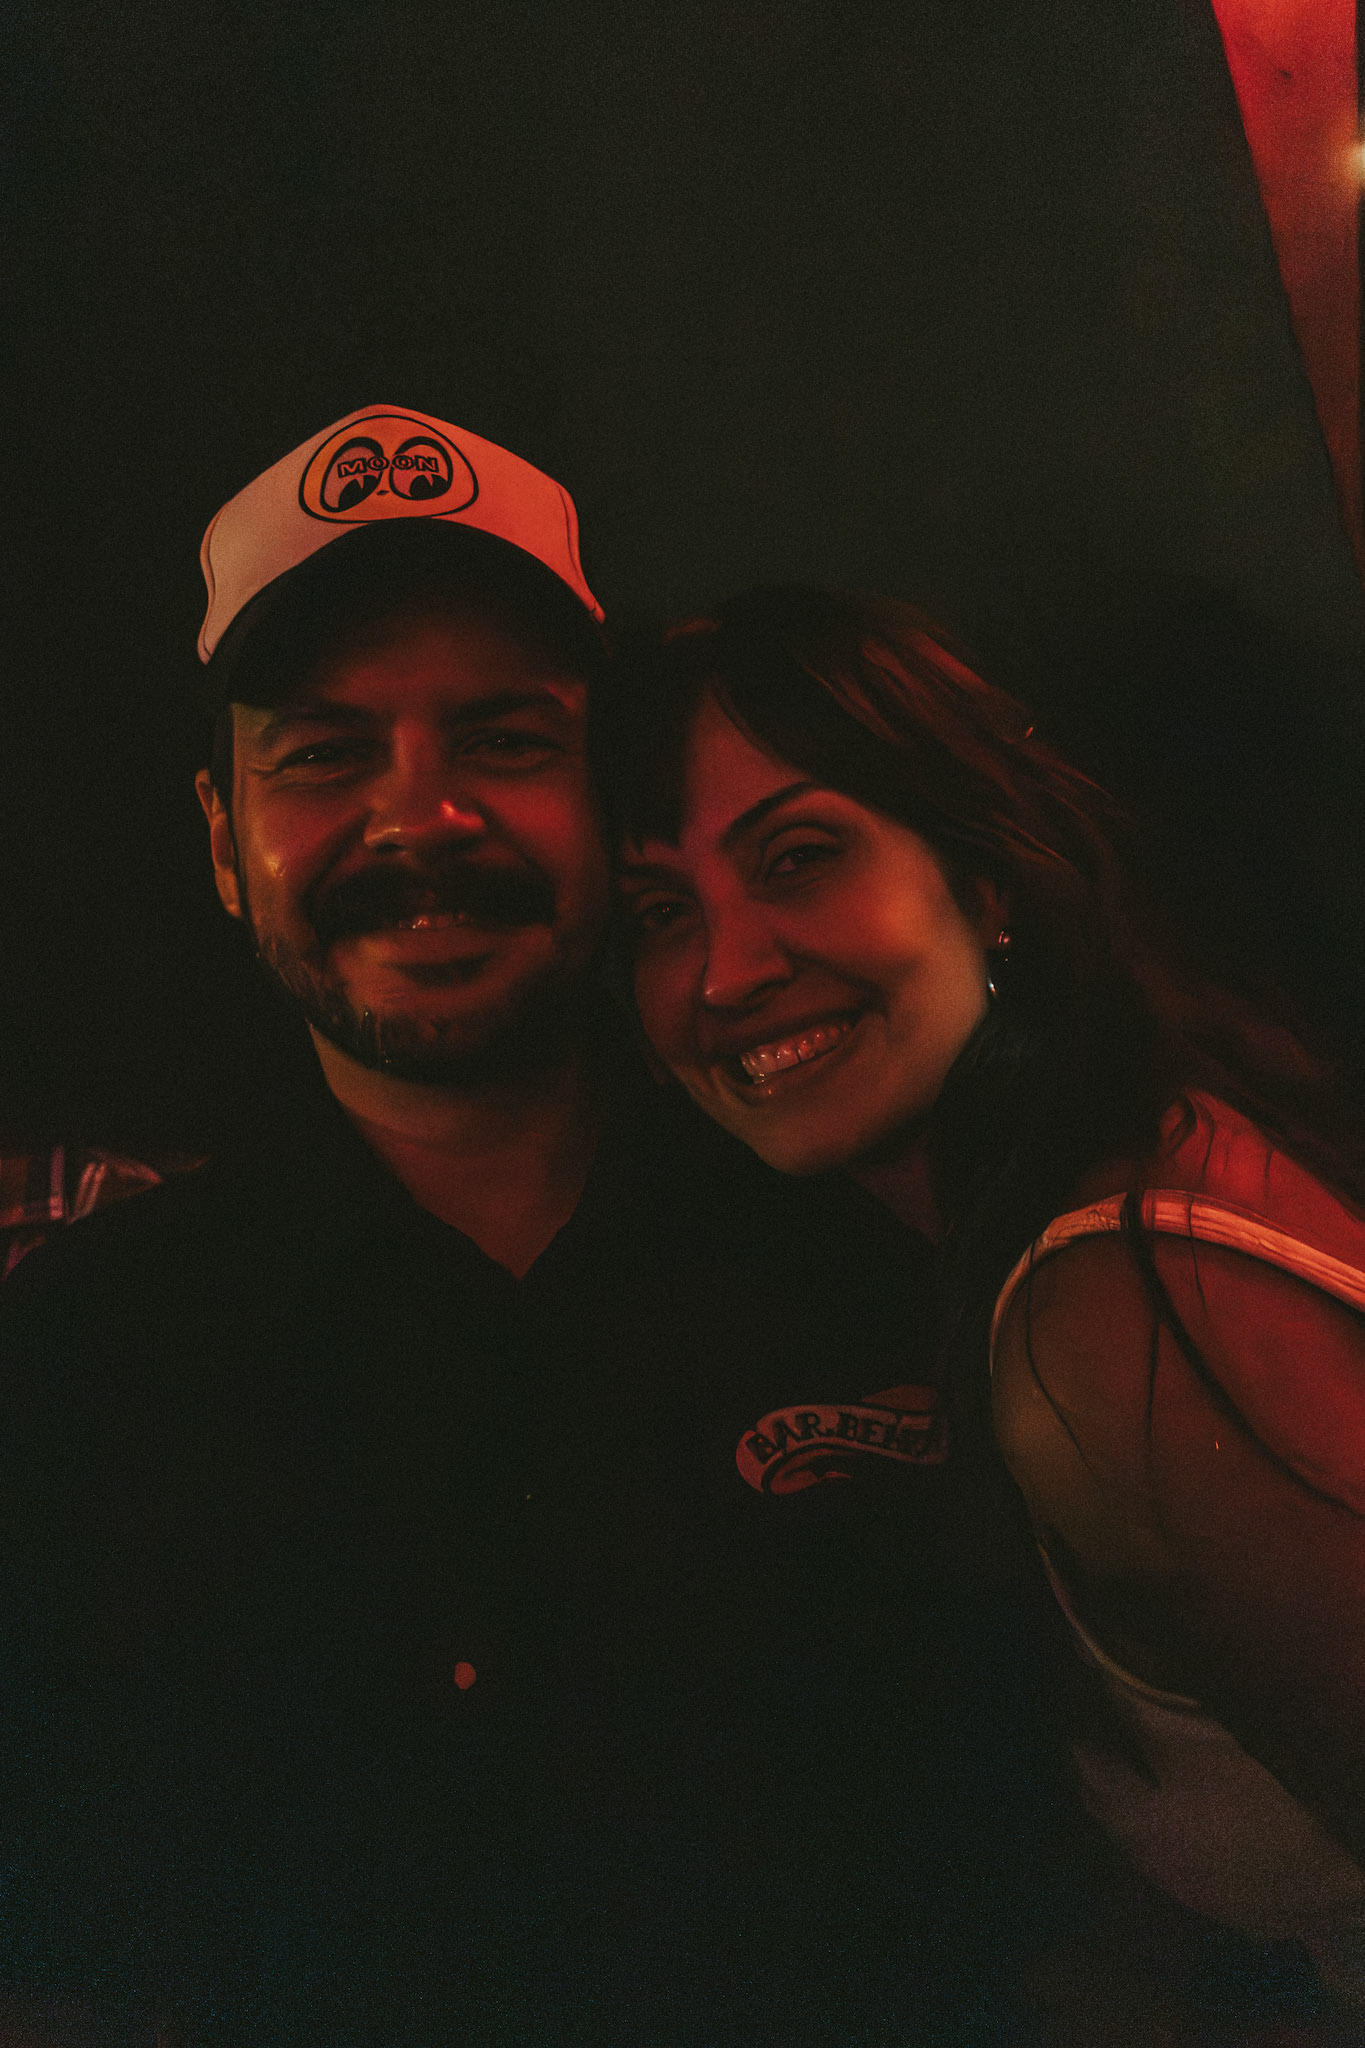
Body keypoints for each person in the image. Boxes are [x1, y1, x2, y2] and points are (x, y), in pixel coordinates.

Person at [0, 418, 1079, 2046]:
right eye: (323, 754)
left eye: (502, 738)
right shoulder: (84, 1361)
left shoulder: (889, 1238)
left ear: (606, 796)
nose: (417, 819)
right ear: (225, 844)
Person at [598, 585, 1365, 2026]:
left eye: (799, 856)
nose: (728, 970)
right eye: (658, 914)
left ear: (986, 876)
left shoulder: (1118, 1318)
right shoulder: (1103, 1171)